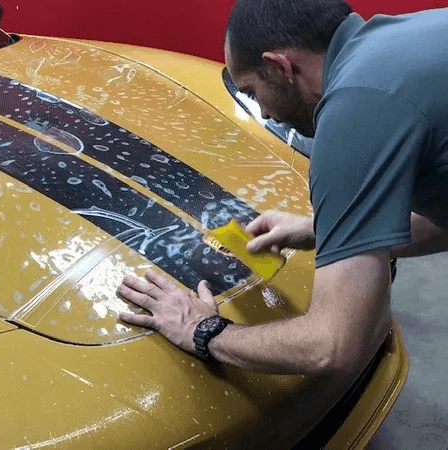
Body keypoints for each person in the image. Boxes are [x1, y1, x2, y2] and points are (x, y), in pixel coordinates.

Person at [116, 0, 448, 377]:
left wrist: (202, 330)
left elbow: (334, 345)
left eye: (254, 93)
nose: (266, 115)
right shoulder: (408, 38)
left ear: (280, 66)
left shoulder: (354, 109)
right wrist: (323, 230)